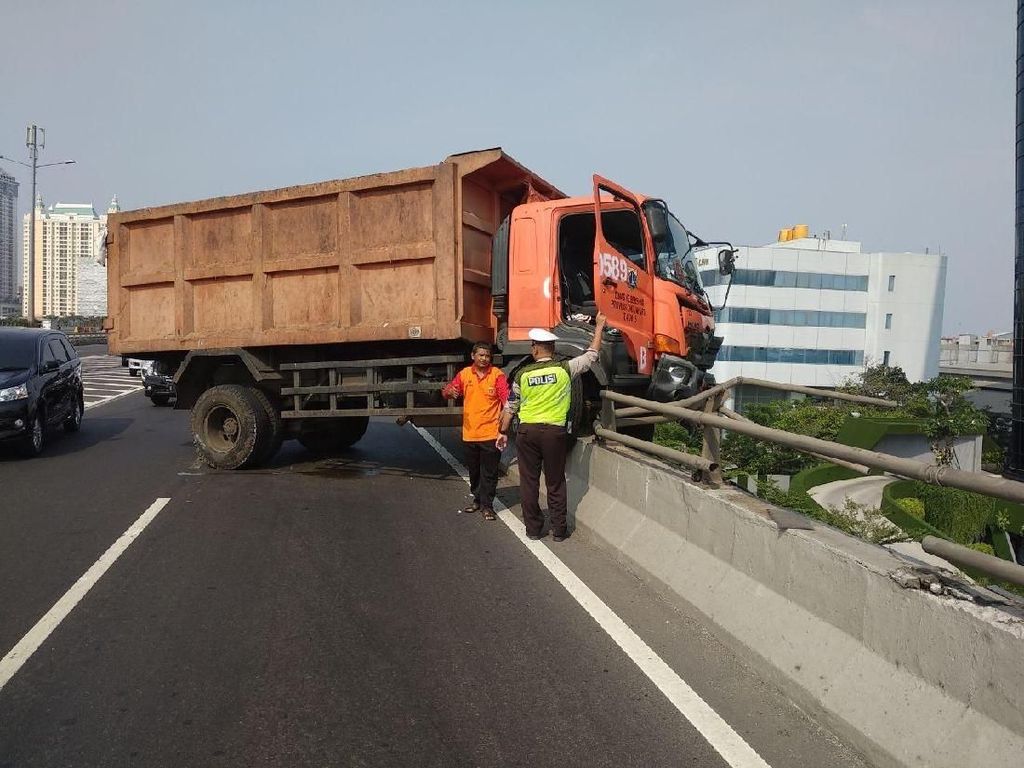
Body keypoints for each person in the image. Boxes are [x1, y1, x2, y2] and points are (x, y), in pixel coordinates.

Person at [497, 313, 607, 541]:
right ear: (553, 349)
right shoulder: (565, 369)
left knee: (529, 482)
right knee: (555, 482)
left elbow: (511, 406)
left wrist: (502, 432)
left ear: (536, 349)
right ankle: (559, 530)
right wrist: (599, 328)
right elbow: (592, 355)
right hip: (554, 434)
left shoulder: (521, 374)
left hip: (527, 433)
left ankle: (533, 530)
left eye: (533, 346)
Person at [442, 342, 509, 521]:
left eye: (487, 356)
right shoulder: (464, 374)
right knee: (474, 471)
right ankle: (477, 500)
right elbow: (448, 391)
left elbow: (506, 398)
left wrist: (505, 425)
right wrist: (450, 392)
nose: (484, 358)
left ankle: (488, 506)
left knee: (490, 472)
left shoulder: (497, 375)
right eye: (481, 355)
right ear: (473, 356)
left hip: (491, 433)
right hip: (470, 433)